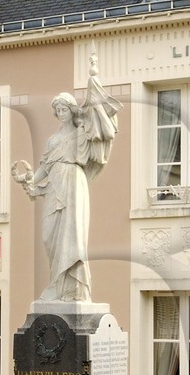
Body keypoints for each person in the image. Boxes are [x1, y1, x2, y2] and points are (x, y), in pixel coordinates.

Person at [12, 56, 119, 302]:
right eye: (57, 110)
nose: (60, 113)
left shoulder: (82, 133)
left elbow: (99, 132)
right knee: (49, 238)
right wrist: (28, 179)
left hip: (73, 184)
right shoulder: (52, 140)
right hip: (54, 189)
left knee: (73, 238)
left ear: (72, 110)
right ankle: (57, 287)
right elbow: (43, 170)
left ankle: (74, 290)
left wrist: (94, 97)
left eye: (64, 109)